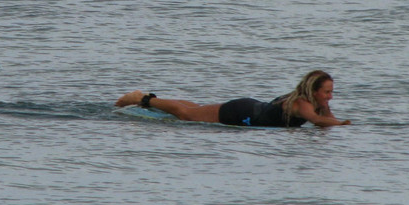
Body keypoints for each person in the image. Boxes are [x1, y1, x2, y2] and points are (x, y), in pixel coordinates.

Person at [115, 69, 351, 128]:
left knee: (196, 109)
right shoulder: (302, 103)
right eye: (327, 92)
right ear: (314, 91)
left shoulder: (313, 103)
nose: (330, 96)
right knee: (187, 115)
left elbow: (326, 121)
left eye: (331, 92)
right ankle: (143, 99)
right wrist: (341, 124)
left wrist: (331, 114)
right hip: (242, 112)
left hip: (247, 107)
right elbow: (319, 122)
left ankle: (149, 98)